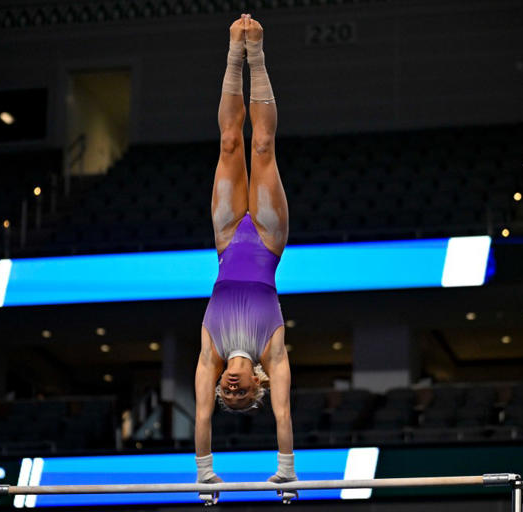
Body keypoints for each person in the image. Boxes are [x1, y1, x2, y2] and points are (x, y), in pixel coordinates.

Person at [194, 14, 296, 502]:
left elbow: (200, 416)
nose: (232, 388)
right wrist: (286, 472)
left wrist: (205, 474)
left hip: (228, 239)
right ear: (256, 381)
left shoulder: (209, 351)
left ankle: (235, 50)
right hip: (268, 244)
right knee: (263, 145)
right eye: (242, 392)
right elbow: (283, 413)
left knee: (231, 141)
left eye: (226, 392)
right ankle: (257, 51)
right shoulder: (272, 355)